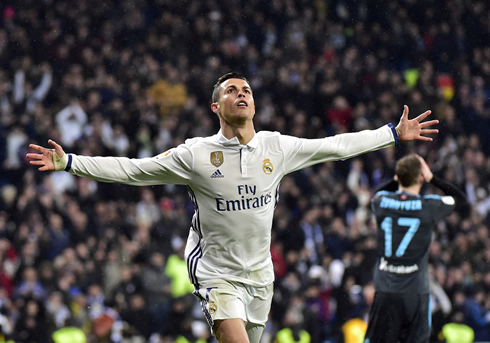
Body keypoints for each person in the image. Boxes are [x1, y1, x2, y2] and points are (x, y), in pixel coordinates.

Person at [27, 72, 439, 343]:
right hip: (216, 272)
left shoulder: (277, 147)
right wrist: (70, 162)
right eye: (231, 91)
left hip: (260, 275)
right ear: (216, 107)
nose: (241, 94)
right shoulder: (196, 155)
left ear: (253, 105)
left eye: (246, 90)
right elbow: (135, 170)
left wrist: (391, 134)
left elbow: (336, 147)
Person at [364, 154, 470, 343]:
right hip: (416, 294)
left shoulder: (381, 201)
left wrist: (398, 177)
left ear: (397, 177)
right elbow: (461, 200)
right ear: (421, 178)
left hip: (386, 291)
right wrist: (432, 178)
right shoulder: (429, 205)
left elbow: (374, 196)